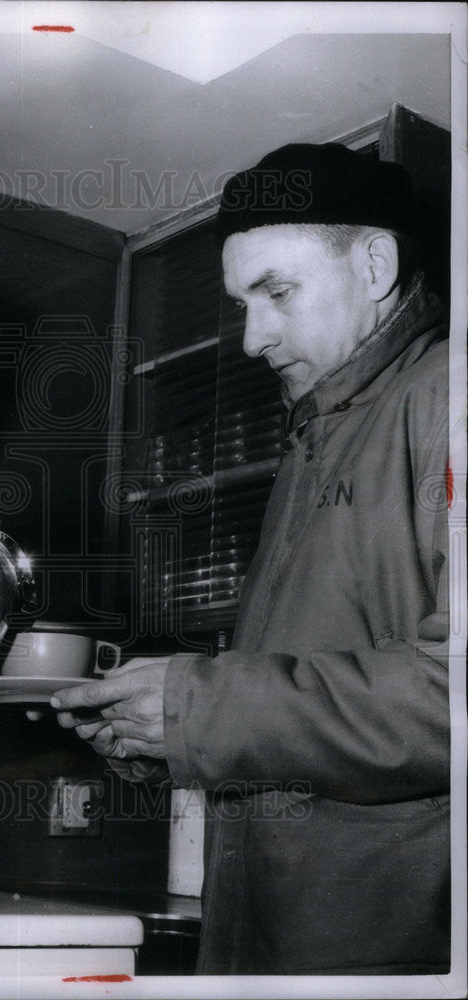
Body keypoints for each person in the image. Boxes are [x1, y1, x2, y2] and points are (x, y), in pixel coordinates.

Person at [52, 143, 451, 974]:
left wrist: (198, 707)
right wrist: (156, 732)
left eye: (276, 292)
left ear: (375, 264)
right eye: (242, 303)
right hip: (268, 934)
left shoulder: (446, 396)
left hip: (386, 948)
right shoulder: (318, 436)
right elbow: (301, 721)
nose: (250, 338)